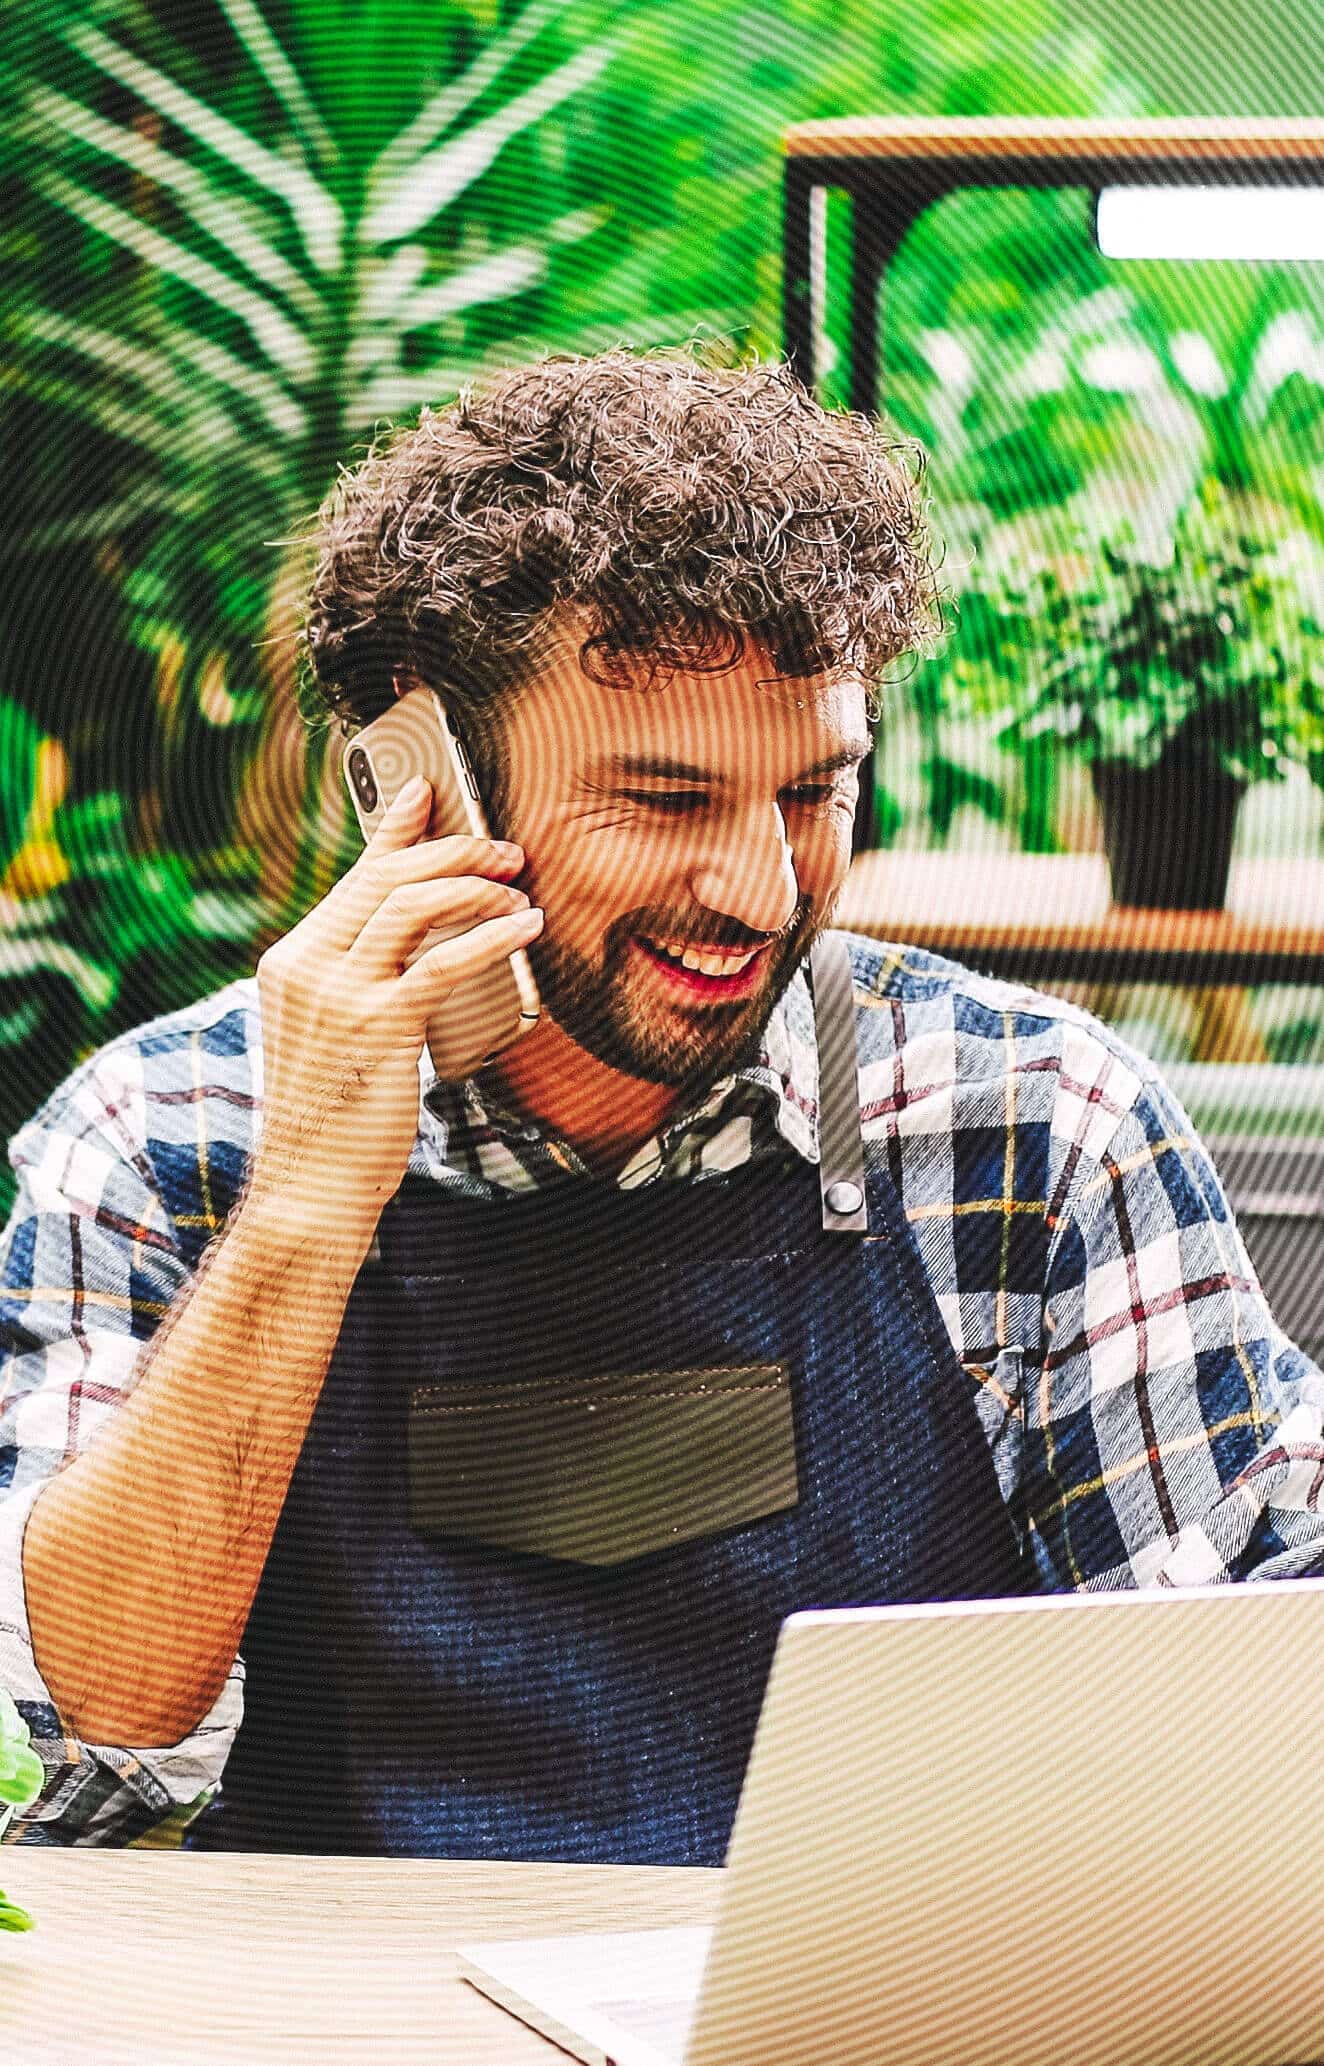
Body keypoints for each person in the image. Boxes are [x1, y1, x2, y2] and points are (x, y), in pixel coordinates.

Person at [2, 349, 1323, 1858]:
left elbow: (1261, 1682)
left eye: (816, 792)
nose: (763, 891)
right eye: (667, 799)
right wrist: (303, 1203)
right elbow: (88, 1752)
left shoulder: (1038, 1127)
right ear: (419, 779)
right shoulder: (161, 1146)